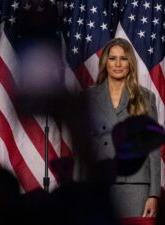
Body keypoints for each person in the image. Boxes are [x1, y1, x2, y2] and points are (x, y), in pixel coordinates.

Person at [83, 38, 160, 218]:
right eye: (112, 58)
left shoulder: (145, 97)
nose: (118, 64)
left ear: (130, 63)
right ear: (105, 62)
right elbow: (83, 147)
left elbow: (153, 151)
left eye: (123, 58)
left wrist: (153, 194)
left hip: (135, 186)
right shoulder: (88, 97)